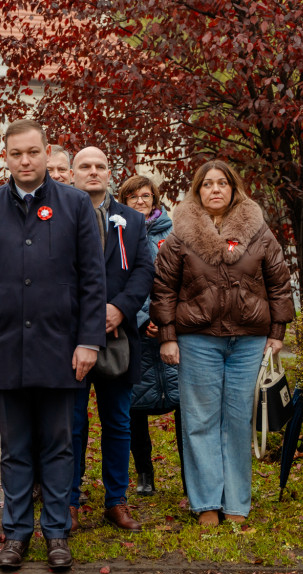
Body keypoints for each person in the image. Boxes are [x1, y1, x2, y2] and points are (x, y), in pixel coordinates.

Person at [0, 120, 106, 571]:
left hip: (62, 349)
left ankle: (57, 533)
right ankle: (17, 532)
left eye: (33, 152)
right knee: (16, 447)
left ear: (47, 154)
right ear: (6, 156)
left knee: (60, 447)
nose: (25, 161)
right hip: (4, 347)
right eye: (16, 153)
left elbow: (92, 281)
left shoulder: (76, 205)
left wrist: (88, 341)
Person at [151, 160, 294, 526]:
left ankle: (236, 504)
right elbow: (164, 288)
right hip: (198, 340)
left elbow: (279, 282)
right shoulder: (180, 234)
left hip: (249, 341)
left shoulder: (258, 231)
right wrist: (167, 337)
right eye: (207, 184)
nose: (215, 189)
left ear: (234, 189)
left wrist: (277, 333)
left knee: (237, 421)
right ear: (197, 192)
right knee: (199, 421)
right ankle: (206, 504)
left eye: (222, 183)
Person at [69, 148, 154, 533]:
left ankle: (115, 500)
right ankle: (68, 500)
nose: (92, 172)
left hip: (118, 336)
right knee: (70, 424)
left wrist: (119, 309)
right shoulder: (58, 215)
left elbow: (143, 270)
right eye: (84, 166)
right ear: (71, 173)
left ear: (110, 174)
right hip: (69, 338)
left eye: (100, 166)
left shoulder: (132, 220)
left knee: (118, 422)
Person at [118, 175, 184, 497]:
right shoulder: (119, 234)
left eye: (146, 195)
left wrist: (167, 321)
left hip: (174, 332)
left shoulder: (174, 233)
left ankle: (191, 474)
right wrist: (144, 319)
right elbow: (121, 283)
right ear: (125, 201)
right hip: (136, 332)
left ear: (155, 200)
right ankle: (145, 472)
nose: (141, 201)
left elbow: (183, 281)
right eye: (134, 197)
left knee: (186, 403)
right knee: (135, 407)